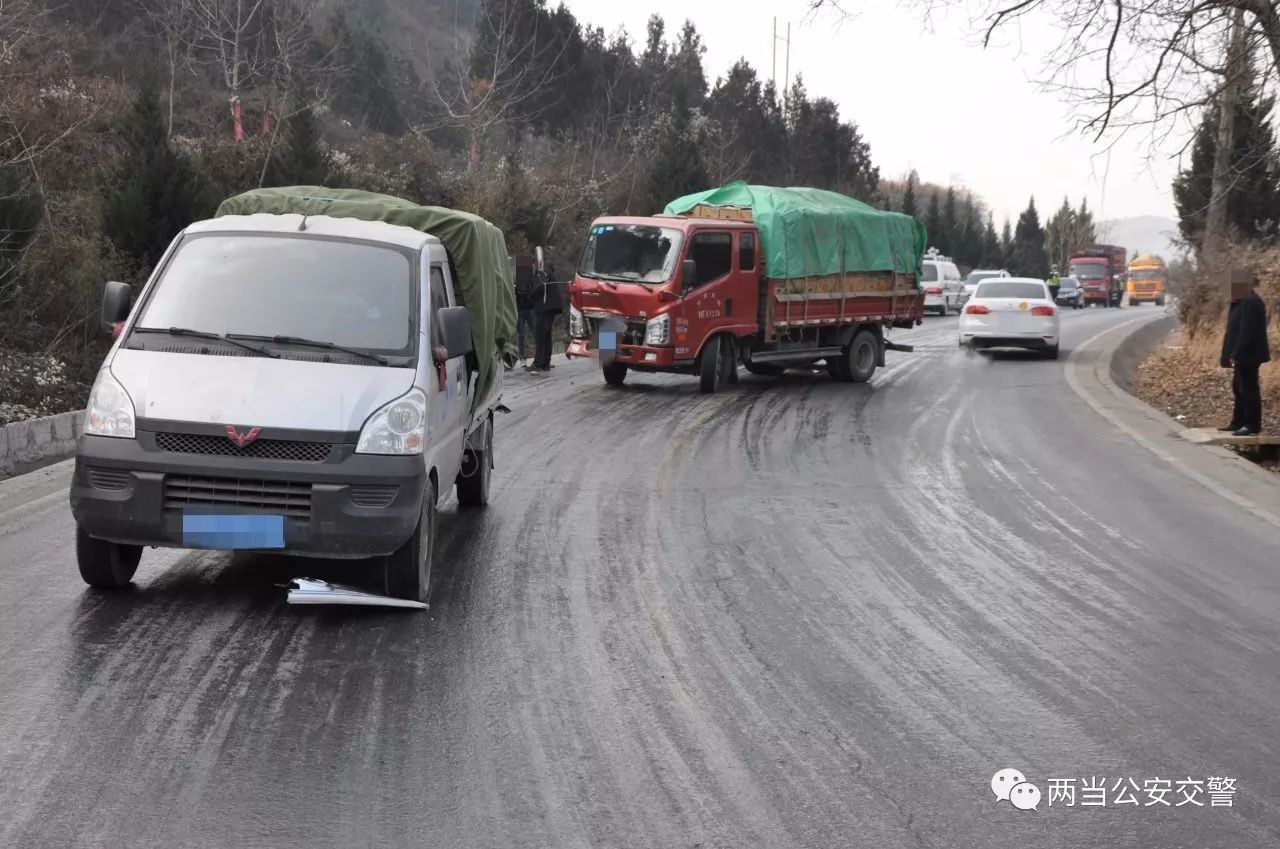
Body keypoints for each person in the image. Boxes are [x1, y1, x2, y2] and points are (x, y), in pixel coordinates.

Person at [1220, 272, 1270, 436]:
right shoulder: (1241, 301)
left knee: (1248, 389)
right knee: (1238, 388)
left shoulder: (1250, 302)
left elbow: (1246, 332)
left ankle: (1251, 425)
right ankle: (1238, 421)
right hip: (1243, 353)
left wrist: (1237, 352)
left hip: (1249, 354)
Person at [531, 257, 562, 372]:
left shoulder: (544, 271)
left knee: (540, 336)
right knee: (547, 335)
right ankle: (545, 363)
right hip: (551, 308)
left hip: (545, 308)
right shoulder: (551, 273)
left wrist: (531, 294)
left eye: (533, 266)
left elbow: (540, 286)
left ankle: (538, 363)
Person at [514, 259, 539, 367]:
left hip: (530, 309)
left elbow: (536, 292)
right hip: (520, 309)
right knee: (521, 335)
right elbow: (515, 293)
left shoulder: (534, 279)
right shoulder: (518, 280)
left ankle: (539, 355)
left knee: (535, 332)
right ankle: (522, 357)